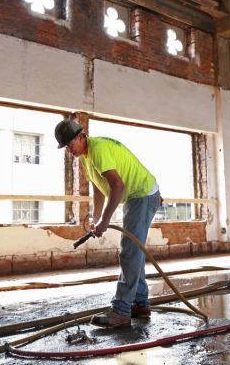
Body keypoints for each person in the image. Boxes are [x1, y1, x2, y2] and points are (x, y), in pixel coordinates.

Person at [55, 118, 162, 328]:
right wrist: (96, 217)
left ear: (80, 136)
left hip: (141, 194)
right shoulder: (87, 157)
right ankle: (140, 303)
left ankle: (121, 310)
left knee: (130, 251)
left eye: (70, 144)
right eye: (65, 147)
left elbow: (118, 186)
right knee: (134, 251)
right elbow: (99, 188)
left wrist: (105, 221)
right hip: (137, 196)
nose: (69, 150)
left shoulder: (99, 149)